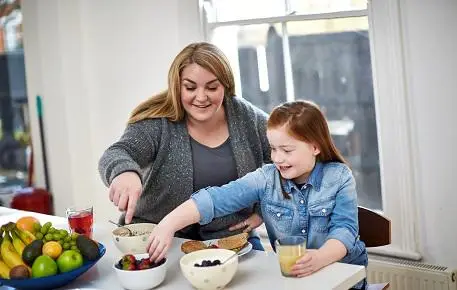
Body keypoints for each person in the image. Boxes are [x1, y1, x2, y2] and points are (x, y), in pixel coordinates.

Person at [145, 100, 368, 289]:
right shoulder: (266, 178)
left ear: (315, 147)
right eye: (273, 149)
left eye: (287, 150)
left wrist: (319, 258)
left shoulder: (339, 177)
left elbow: (345, 230)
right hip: (296, 281)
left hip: (343, 277)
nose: (277, 158)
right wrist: (169, 224)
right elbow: (217, 198)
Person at [98, 42, 271, 250]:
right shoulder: (157, 122)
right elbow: (118, 152)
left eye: (212, 87)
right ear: (177, 86)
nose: (201, 97)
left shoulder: (248, 118)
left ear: (226, 85)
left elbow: (289, 162)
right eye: (190, 87)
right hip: (158, 238)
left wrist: (264, 209)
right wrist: (124, 172)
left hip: (231, 238)